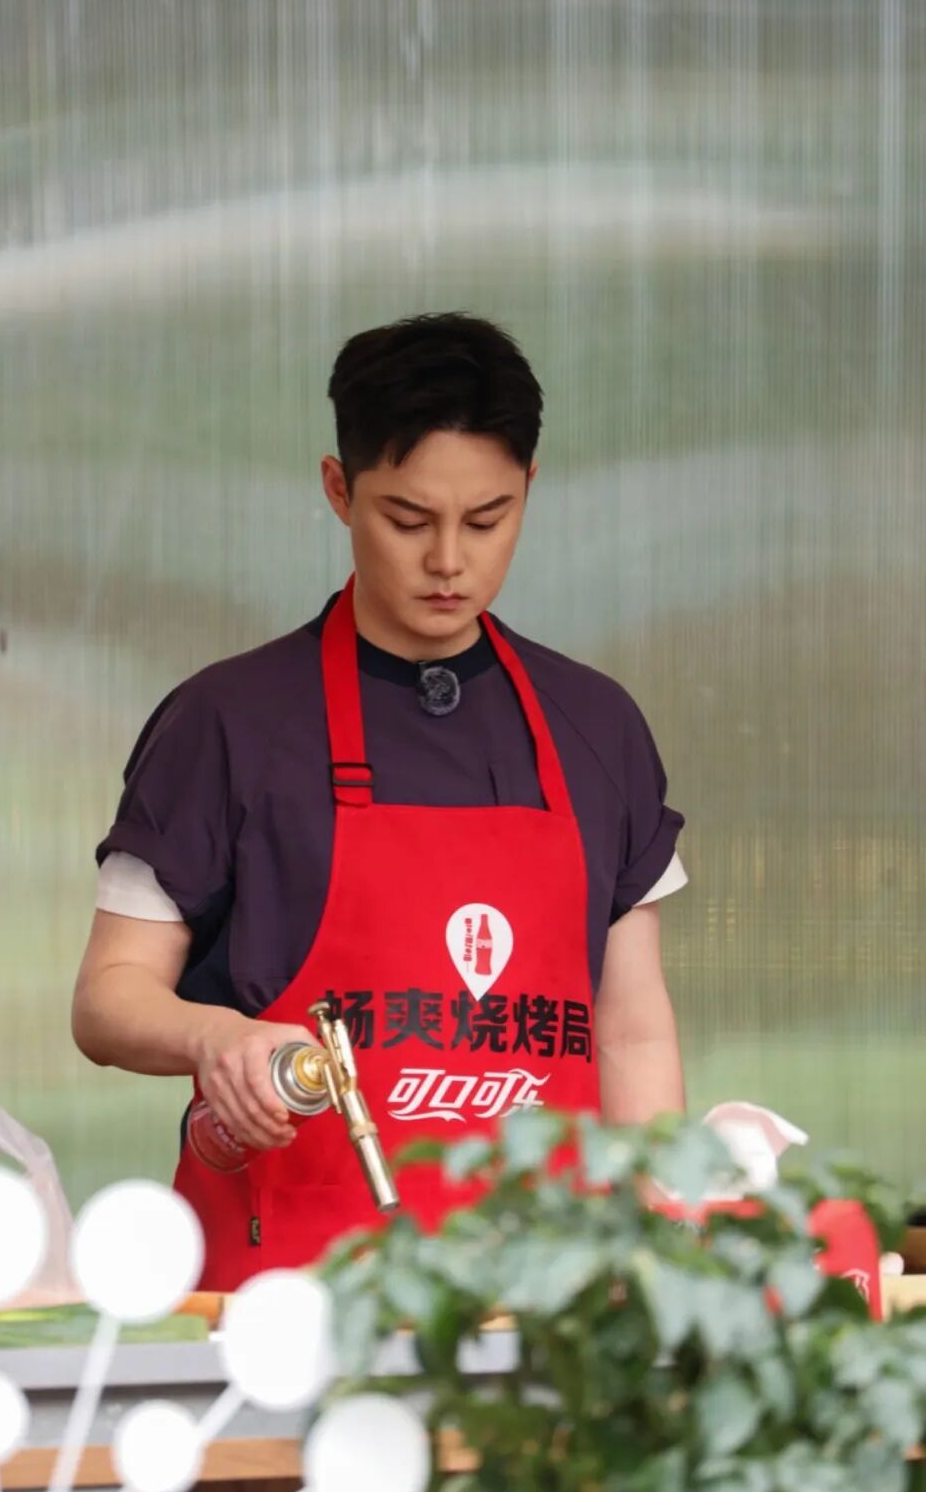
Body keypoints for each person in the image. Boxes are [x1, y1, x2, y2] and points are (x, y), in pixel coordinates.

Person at [72, 311, 688, 1289]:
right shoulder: (226, 722)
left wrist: (664, 1257)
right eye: (407, 520)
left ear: (529, 489)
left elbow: (632, 1029)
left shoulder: (598, 726)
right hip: (287, 1307)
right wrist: (216, 1037)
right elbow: (108, 997)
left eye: (486, 520)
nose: (448, 560)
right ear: (338, 489)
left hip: (546, 1306)